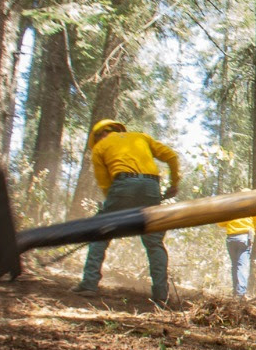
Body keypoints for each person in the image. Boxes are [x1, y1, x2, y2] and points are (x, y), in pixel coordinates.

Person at [73, 119, 180, 306]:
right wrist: (174, 184)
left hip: (122, 184)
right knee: (154, 241)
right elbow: (171, 156)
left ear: (98, 135)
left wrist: (115, 216)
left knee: (100, 231)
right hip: (151, 186)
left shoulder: (99, 148)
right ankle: (161, 295)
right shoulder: (141, 137)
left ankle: (89, 283)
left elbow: (106, 185)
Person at [218, 214, 256, 299]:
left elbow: (220, 223)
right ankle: (240, 294)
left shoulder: (230, 208)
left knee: (235, 265)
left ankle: (235, 292)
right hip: (244, 237)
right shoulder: (252, 208)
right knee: (243, 265)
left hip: (231, 238)